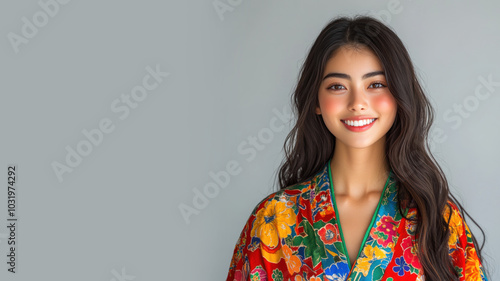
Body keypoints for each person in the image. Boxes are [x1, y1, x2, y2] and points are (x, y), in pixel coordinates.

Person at [225, 15, 488, 281]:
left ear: (399, 96)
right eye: (337, 86)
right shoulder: (274, 218)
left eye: (375, 84)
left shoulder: (437, 220)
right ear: (316, 100)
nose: (357, 103)